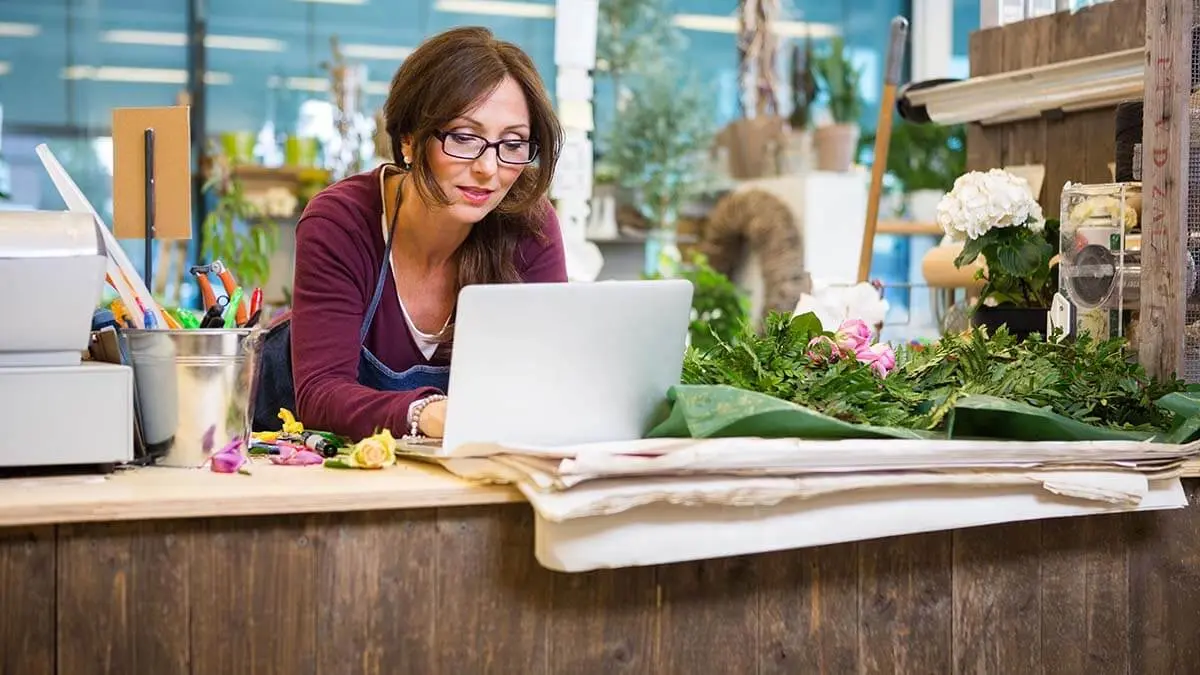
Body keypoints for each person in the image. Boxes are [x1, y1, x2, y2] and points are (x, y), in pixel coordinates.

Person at [250, 26, 567, 441]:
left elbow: (550, 381)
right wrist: (429, 414)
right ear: (410, 140)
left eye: (513, 143)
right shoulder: (342, 222)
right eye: (464, 137)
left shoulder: (528, 224)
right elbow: (321, 394)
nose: (489, 168)